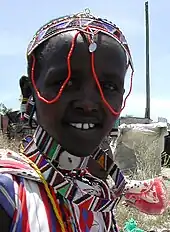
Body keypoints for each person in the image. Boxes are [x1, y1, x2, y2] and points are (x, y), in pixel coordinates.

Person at [0, 10, 169, 232]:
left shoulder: (97, 190)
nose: (88, 103)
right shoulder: (9, 194)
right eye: (66, 82)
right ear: (30, 91)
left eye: (108, 87)